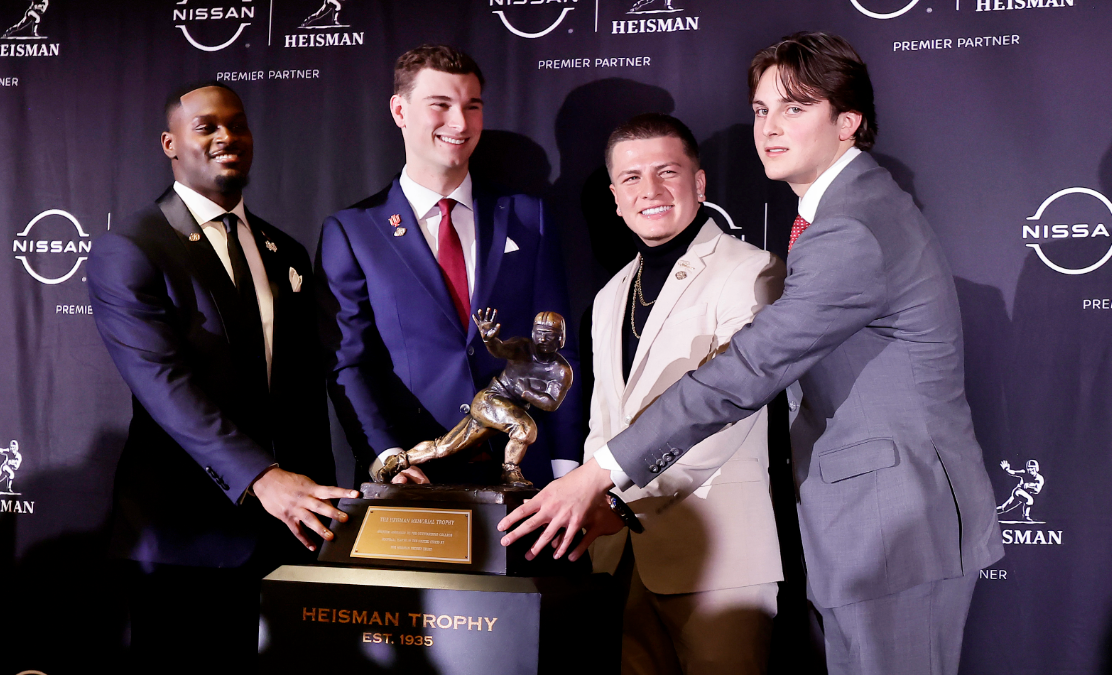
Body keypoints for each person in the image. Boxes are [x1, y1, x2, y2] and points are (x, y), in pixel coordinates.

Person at [499, 32, 1004, 675]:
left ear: (848, 122)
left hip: (895, 527)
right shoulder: (842, 212)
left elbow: (746, 372)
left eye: (795, 107)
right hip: (866, 523)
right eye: (763, 109)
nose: (769, 126)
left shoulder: (854, 226)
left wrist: (601, 473)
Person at [87, 82, 354, 670]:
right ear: (170, 143)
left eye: (237, 125)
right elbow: (164, 386)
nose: (226, 137)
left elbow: (313, 384)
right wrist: (262, 477)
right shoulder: (131, 247)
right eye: (206, 126)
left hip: (293, 531)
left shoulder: (283, 250)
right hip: (184, 542)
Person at [316, 44, 581, 487]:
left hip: (526, 478)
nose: (460, 123)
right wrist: (387, 458)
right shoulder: (353, 232)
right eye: (440, 105)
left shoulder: (527, 217)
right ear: (399, 110)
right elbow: (350, 363)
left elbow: (558, 349)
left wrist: (566, 468)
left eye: (472, 106)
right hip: (415, 478)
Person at [587, 113, 786, 674]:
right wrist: (592, 505)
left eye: (667, 172)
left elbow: (726, 417)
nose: (649, 191)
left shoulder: (753, 273)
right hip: (619, 560)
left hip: (721, 562)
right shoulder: (609, 295)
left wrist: (615, 500)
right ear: (616, 198)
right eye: (631, 179)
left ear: (699, 185)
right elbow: (602, 423)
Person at [377, 309, 573, 486]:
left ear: (561, 338)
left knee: (444, 447)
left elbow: (551, 404)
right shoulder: (522, 347)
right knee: (525, 429)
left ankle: (399, 461)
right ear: (533, 333)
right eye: (540, 332)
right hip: (489, 400)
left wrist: (525, 392)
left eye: (550, 334)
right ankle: (510, 471)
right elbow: (500, 350)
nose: (544, 338)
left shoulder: (561, 371)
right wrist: (490, 340)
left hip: (505, 412)